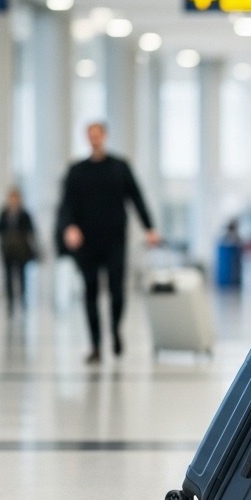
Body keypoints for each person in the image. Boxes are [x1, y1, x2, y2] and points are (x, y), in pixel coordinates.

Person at [58, 122, 160, 364]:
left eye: (98, 134)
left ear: (104, 136)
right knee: (90, 291)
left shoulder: (119, 167)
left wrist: (149, 227)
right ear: (87, 138)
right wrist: (69, 227)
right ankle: (95, 344)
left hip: (115, 239)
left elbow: (136, 197)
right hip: (87, 242)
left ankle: (114, 330)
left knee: (116, 291)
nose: (94, 138)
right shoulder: (77, 171)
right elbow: (66, 205)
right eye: (90, 135)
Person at [0, 187, 37, 317]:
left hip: (21, 251)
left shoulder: (24, 214)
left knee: (22, 276)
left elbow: (31, 230)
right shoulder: (3, 213)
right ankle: (10, 303)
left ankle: (23, 301)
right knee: (8, 277)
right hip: (8, 250)